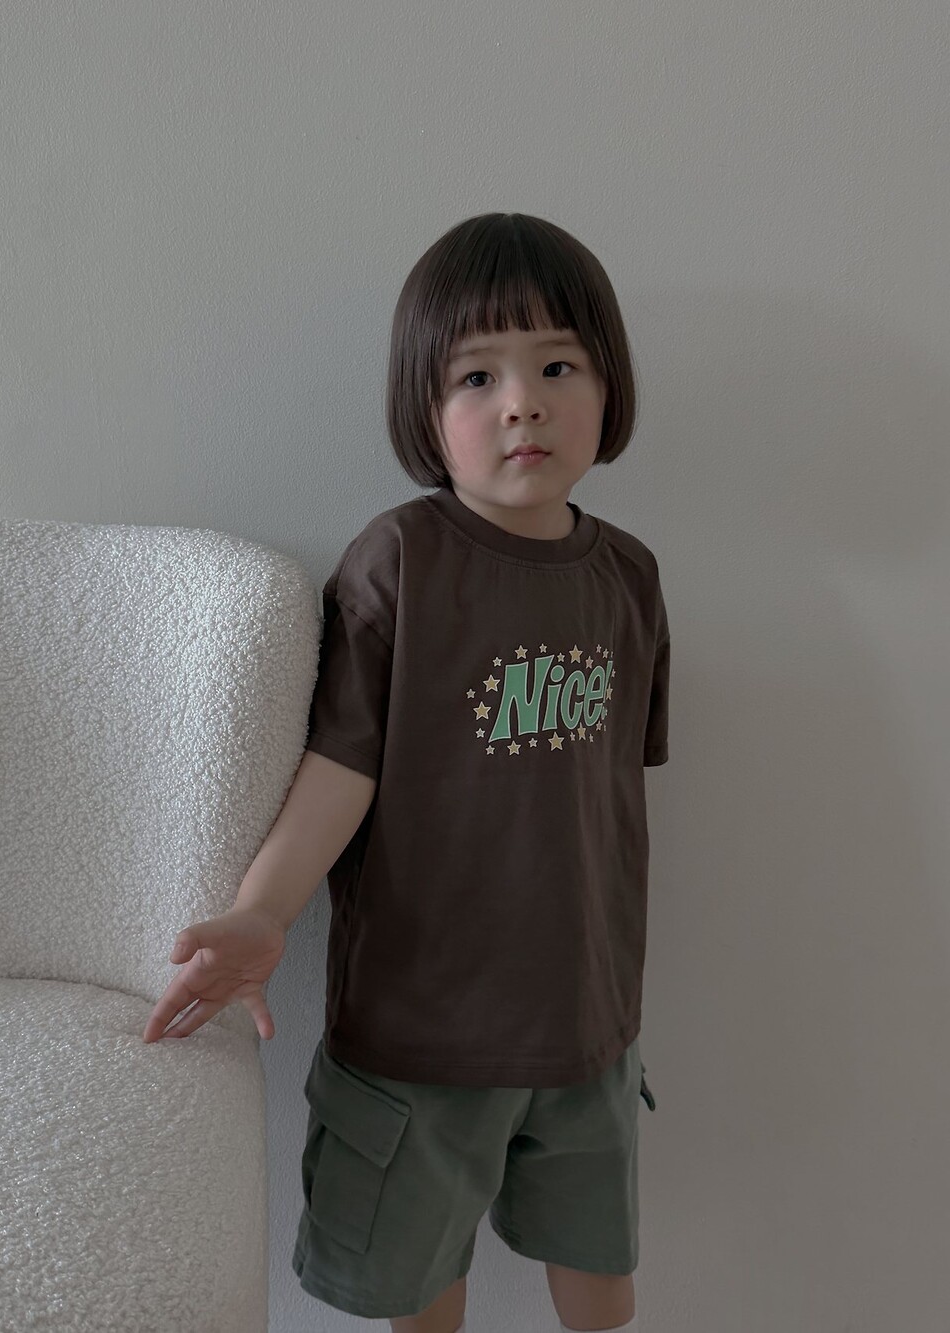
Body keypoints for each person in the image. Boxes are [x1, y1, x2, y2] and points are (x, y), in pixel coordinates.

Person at [143, 212, 670, 1333]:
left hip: (586, 1024)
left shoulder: (628, 577)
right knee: (420, 1298)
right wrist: (262, 910)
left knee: (603, 1290)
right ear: (425, 412)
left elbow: (609, 796)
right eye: (477, 376)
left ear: (608, 385)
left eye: (557, 366)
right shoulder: (401, 562)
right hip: (423, 1031)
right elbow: (344, 763)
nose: (522, 402)